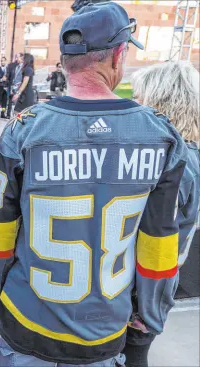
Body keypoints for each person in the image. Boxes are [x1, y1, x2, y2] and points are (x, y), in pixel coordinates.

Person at [0, 2, 189, 366]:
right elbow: (158, 251)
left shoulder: (22, 131)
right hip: (104, 329)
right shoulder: (161, 136)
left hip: (28, 321)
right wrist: (148, 320)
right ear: (118, 55)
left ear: (64, 62)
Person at [122, 61, 200, 367]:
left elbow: (156, 234)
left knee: (131, 357)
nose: (136, 105)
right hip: (147, 294)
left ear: (162, 101)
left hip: (141, 297)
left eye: (141, 97)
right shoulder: (184, 154)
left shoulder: (177, 161)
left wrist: (144, 308)